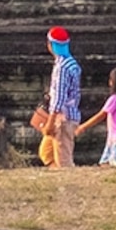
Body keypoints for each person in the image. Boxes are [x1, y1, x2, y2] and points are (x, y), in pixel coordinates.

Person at [42, 27, 82, 169]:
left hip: (62, 118)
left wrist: (50, 122)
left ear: (50, 45)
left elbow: (59, 97)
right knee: (46, 152)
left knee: (64, 161)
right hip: (69, 115)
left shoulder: (62, 68)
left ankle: (69, 184)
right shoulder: (71, 63)